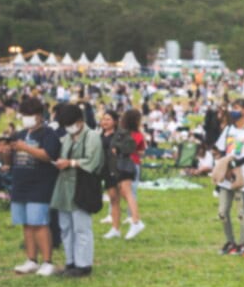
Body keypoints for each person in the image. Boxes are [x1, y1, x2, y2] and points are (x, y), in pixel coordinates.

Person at [9, 97, 61, 276]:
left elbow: (48, 155)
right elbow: (12, 159)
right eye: (24, 115)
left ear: (39, 116)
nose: (26, 118)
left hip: (40, 186)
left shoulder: (48, 134)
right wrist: (5, 153)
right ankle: (31, 259)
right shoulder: (20, 134)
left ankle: (48, 261)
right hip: (20, 184)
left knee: (39, 223)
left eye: (29, 115)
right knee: (26, 224)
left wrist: (26, 148)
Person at [53, 103, 102, 277]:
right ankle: (70, 262)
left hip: (82, 186)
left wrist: (71, 163)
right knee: (65, 226)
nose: (68, 127)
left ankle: (84, 264)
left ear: (80, 121)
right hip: (64, 186)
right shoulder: (67, 137)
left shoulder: (92, 137)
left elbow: (92, 161)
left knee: (81, 227)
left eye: (71, 123)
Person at [215, 109, 244, 256]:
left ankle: (242, 244)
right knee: (222, 212)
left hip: (242, 176)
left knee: (241, 212)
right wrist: (223, 166)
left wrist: (233, 165)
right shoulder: (228, 129)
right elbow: (222, 150)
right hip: (227, 176)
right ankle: (230, 242)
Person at [105, 109, 145, 240]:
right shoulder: (138, 135)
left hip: (124, 165)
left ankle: (135, 221)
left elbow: (116, 149)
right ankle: (129, 222)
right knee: (125, 193)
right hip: (131, 164)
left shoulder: (122, 134)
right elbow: (141, 151)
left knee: (126, 193)